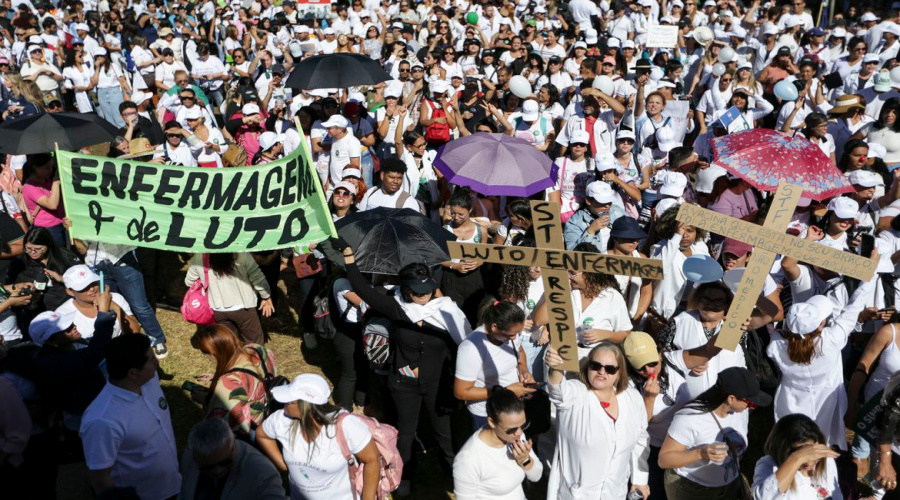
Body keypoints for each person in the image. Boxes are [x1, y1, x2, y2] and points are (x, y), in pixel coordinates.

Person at [338, 237, 469, 495]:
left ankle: (456, 478)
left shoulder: (446, 310)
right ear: (406, 291)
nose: (423, 298)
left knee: (443, 433)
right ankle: (404, 478)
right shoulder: (397, 308)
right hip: (403, 385)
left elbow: (465, 343)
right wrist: (350, 260)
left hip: (437, 383)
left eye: (428, 291)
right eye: (418, 293)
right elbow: (363, 290)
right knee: (406, 434)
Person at [768, 275, 875, 450]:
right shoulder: (832, 339)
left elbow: (781, 335)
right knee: (820, 439)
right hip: (825, 400)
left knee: (791, 441)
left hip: (789, 400)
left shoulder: (776, 343)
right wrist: (872, 274)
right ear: (819, 326)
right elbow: (855, 304)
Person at [80, 334, 182, 500]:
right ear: (133, 373)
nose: (156, 361)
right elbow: (100, 477)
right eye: (150, 360)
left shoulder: (150, 380)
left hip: (173, 483)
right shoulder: (102, 421)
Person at [544, 341, 650, 499]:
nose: (601, 371)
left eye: (610, 368)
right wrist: (556, 368)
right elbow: (557, 390)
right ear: (587, 367)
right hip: (577, 495)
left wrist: (640, 479)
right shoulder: (576, 394)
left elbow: (641, 437)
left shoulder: (632, 398)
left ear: (620, 373)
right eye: (595, 365)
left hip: (615, 493)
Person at [256, 373, 381, 500]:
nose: (284, 403)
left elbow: (372, 459)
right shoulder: (281, 420)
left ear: (305, 406)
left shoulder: (345, 425)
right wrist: (283, 465)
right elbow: (261, 435)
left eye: (289, 401)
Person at [658, 367, 772, 499]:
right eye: (750, 403)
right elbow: (664, 459)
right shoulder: (690, 418)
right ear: (731, 398)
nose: (751, 406)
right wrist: (700, 453)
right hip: (695, 490)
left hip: (729, 485)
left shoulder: (739, 412)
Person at [454, 300, 535, 429]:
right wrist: (506, 391)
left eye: (517, 334)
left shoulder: (510, 332)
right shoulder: (471, 348)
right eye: (511, 335)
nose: (514, 338)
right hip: (488, 413)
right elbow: (461, 392)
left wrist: (523, 370)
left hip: (513, 405)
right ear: (494, 327)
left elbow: (519, 350)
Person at [452, 386, 543, 498]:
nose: (519, 433)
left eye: (523, 425)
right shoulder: (468, 459)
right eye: (512, 429)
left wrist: (525, 460)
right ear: (491, 422)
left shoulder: (515, 436)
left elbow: (536, 476)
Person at [189, 325, 277, 436]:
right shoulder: (259, 350)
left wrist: (207, 401)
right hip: (268, 417)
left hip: (252, 434)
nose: (206, 357)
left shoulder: (228, 383)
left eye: (205, 353)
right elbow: (252, 374)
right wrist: (218, 375)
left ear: (213, 353)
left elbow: (221, 425)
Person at [179, 417, 286, 500]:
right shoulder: (189, 456)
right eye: (208, 467)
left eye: (225, 462)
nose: (217, 471)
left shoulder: (262, 472)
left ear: (233, 442)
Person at [184, 252, 274, 345]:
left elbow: (189, 281)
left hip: (217, 309)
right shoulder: (242, 255)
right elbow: (258, 278)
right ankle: (255, 358)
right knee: (254, 343)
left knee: (230, 345)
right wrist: (266, 296)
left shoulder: (200, 256)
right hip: (244, 308)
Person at [751, 414, 841, 500]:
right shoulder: (769, 464)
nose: (809, 463)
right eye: (802, 454)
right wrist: (797, 458)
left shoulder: (827, 461)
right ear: (782, 449)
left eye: (811, 453)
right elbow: (763, 498)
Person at [13, 227, 81, 311]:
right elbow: (13, 290)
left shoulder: (65, 256)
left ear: (48, 244)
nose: (33, 252)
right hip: (39, 312)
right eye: (28, 249)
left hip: (69, 307)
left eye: (38, 249)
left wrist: (62, 278)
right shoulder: (20, 264)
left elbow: (82, 280)